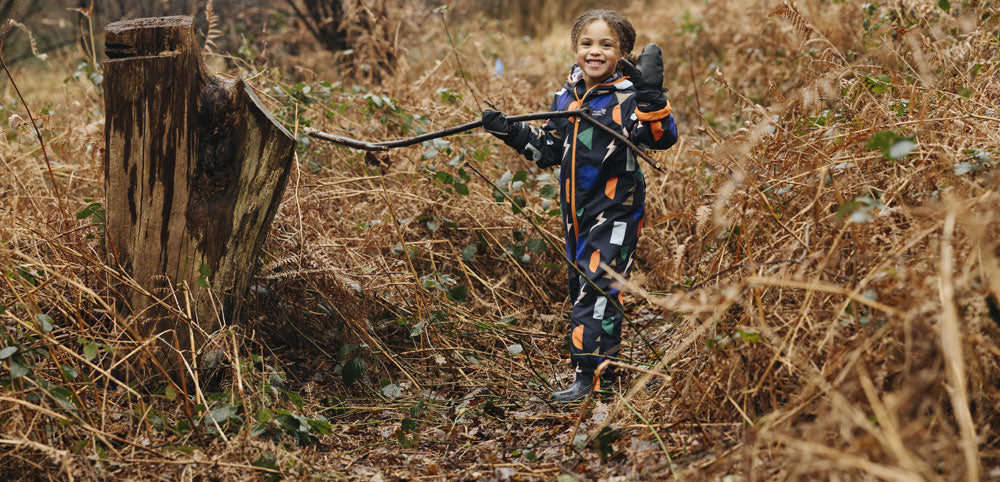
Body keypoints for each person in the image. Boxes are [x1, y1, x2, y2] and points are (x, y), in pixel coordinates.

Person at [481, 9, 678, 402]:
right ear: (574, 48)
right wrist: (513, 131)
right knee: (582, 286)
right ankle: (602, 370)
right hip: (576, 211)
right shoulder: (566, 96)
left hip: (616, 208)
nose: (595, 51)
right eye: (587, 43)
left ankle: (591, 381)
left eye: (606, 45)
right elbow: (551, 149)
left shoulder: (627, 95)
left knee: (598, 285)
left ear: (622, 52)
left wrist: (652, 97)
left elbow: (661, 137)